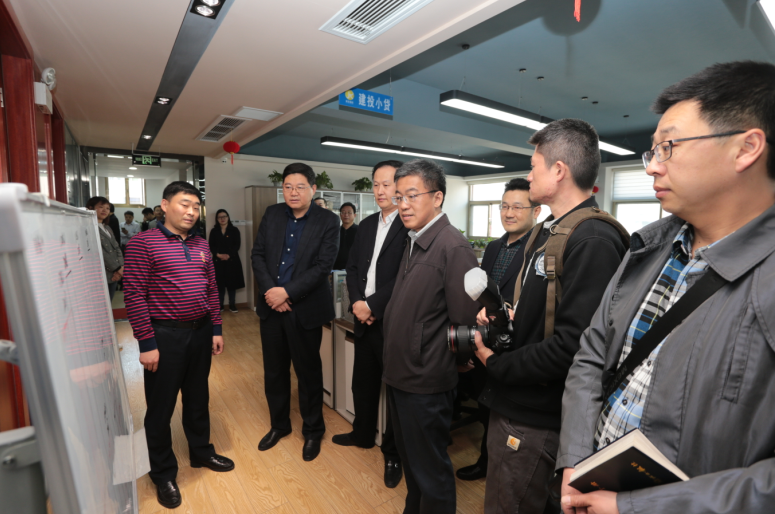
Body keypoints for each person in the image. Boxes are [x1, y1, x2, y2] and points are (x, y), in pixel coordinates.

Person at [559, 61, 775, 514]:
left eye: (669, 147)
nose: (653, 167)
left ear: (746, 148)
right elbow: (592, 355)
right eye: (652, 151)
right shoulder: (649, 248)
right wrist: (575, 459)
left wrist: (636, 507)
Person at [473, 119, 628, 514]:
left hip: (537, 414)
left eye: (533, 166)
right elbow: (547, 316)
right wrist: (511, 318)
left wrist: (496, 364)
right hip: (517, 402)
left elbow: (574, 346)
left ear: (558, 171)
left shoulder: (592, 238)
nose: (528, 175)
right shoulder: (549, 232)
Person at [124, 181, 234, 509]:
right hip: (165, 336)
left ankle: (201, 452)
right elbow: (134, 295)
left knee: (198, 397)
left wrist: (216, 328)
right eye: (184, 204)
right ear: (165, 205)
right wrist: (146, 342)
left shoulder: (201, 244)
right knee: (161, 407)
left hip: (201, 332)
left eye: (196, 207)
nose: (191, 212)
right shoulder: (143, 243)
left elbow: (211, 288)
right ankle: (162, 473)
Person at [383, 159, 480, 514]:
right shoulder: (415, 239)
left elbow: (466, 321)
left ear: (437, 197)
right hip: (401, 373)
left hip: (425, 380)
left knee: (431, 471)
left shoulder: (453, 246)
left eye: (412, 195)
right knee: (412, 464)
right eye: (399, 197)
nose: (403, 205)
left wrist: (457, 362)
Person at [251, 162, 339, 462]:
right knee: (274, 372)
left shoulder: (328, 220)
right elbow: (258, 255)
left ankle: (313, 431)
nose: (293, 192)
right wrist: (272, 293)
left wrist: (286, 292)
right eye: (288, 187)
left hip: (306, 309)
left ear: (313, 189)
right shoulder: (273, 214)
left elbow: (323, 266)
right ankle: (280, 425)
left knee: (308, 372)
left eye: (300, 187)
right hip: (271, 308)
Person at [456, 178, 541, 482]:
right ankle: (487, 460)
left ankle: (499, 469)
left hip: (518, 343)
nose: (509, 213)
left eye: (518, 207)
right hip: (487, 338)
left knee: (508, 413)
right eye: (505, 206)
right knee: (485, 404)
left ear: (536, 211)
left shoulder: (540, 249)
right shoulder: (493, 247)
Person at [332, 160, 408, 488]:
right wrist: (356, 303)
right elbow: (351, 269)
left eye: (387, 184)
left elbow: (404, 276)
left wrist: (373, 305)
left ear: (401, 186)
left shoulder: (410, 225)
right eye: (375, 184)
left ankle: (393, 453)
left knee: (396, 393)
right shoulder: (365, 226)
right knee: (362, 383)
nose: (379, 190)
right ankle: (362, 434)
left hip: (392, 322)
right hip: (364, 319)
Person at [86, 196, 124, 301]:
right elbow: (100, 252)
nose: (105, 210)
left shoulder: (107, 227)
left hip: (114, 274)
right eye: (101, 207)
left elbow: (117, 247)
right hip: (101, 274)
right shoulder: (89, 227)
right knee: (101, 305)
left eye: (107, 208)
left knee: (109, 303)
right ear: (91, 208)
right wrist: (117, 269)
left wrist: (121, 267)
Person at [208, 209, 245, 313]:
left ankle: (232, 304)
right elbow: (211, 245)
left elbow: (237, 245)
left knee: (231, 284)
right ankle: (220, 305)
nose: (222, 219)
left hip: (232, 260)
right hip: (218, 260)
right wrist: (218, 255)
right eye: (220, 217)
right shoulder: (214, 231)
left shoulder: (234, 230)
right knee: (219, 284)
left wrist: (228, 255)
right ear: (217, 219)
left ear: (228, 217)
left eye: (224, 216)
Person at [333, 202, 358, 269]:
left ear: (354, 215)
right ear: (340, 215)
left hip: (355, 268)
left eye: (349, 212)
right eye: (343, 212)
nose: (346, 215)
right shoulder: (335, 231)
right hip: (336, 268)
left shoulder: (360, 231)